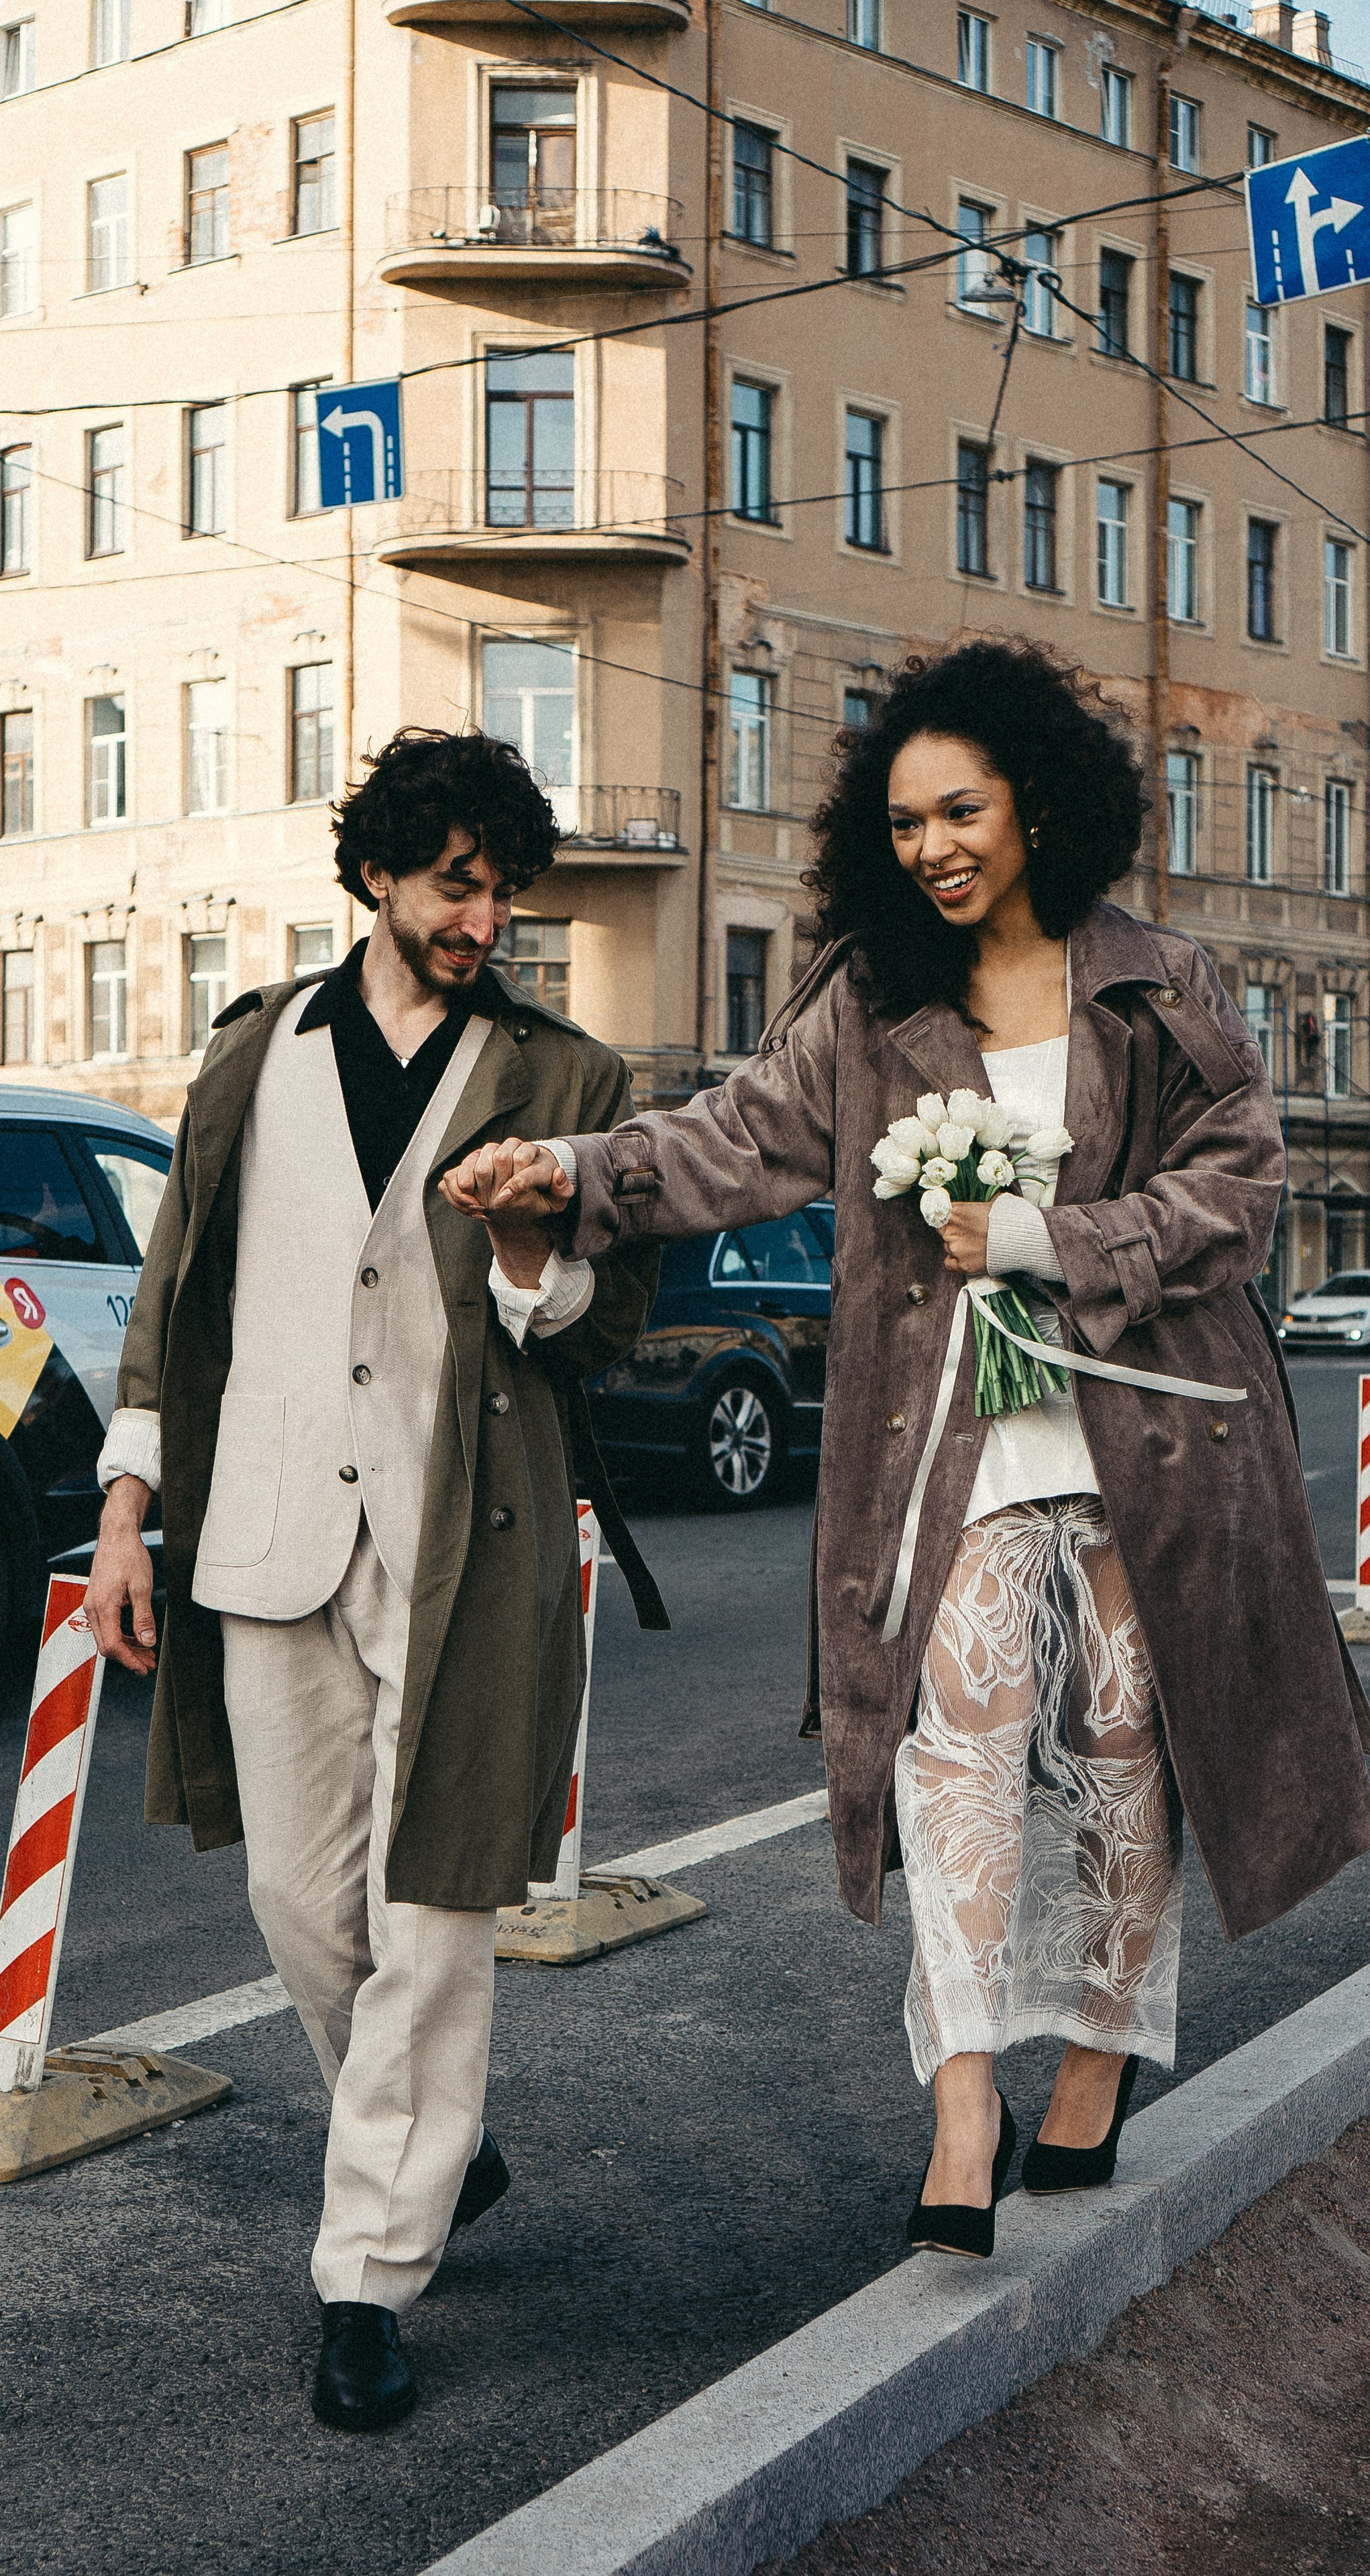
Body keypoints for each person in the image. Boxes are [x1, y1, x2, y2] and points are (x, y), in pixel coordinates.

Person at [443, 641, 1370, 2260]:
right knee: (953, 1749)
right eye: (903, 822)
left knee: (1124, 1756)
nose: (932, 846)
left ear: (1034, 806)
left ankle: (1091, 2063)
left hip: (1147, 1443)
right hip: (950, 1445)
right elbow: (724, 1140)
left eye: (961, 810)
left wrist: (1047, 1235)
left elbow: (1239, 1188)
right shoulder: (870, 1005)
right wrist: (571, 1170)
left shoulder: (1160, 981)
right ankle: (957, 2091)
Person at [85, 727, 664, 2426]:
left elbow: (600, 1332)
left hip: (465, 1538)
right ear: (376, 877)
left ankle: (364, 2275)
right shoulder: (251, 1056)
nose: (483, 917)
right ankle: (432, 2147)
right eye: (453, 884)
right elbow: (175, 1305)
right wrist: (128, 1510)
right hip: (264, 1526)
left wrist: (521, 1253)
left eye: (502, 889)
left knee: (433, 1906)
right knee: (296, 1901)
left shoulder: (568, 1081)